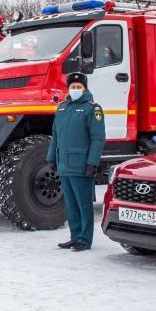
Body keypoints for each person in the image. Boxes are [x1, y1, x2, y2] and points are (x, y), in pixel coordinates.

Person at [47, 72, 106, 251]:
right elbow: (55, 136)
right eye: (73, 87)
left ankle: (84, 239)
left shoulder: (92, 109)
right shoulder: (62, 108)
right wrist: (51, 158)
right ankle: (75, 236)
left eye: (78, 87)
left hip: (81, 166)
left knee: (83, 205)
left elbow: (98, 138)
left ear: (85, 88)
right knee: (71, 205)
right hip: (64, 164)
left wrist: (92, 163)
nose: (75, 90)